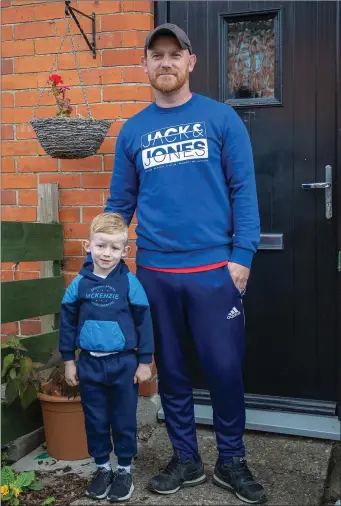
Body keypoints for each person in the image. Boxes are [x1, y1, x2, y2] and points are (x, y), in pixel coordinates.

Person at [104, 23, 266, 504]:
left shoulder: (221, 119)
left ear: (191, 61)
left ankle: (231, 460)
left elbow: (244, 191)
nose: (166, 62)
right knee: (170, 370)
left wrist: (242, 257)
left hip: (215, 273)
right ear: (146, 66)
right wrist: (111, 262)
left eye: (175, 54)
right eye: (157, 55)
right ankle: (187, 458)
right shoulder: (133, 130)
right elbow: (120, 202)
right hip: (155, 274)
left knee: (223, 369)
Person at [59, 213, 154, 502]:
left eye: (115, 248)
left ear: (126, 251)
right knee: (95, 419)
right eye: (101, 246)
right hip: (89, 364)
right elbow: (67, 321)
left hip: (124, 364)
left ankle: (123, 471)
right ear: (88, 245)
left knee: (124, 419)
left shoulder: (130, 282)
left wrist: (144, 361)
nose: (106, 253)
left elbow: (144, 321)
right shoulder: (79, 283)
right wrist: (68, 360)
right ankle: (102, 468)